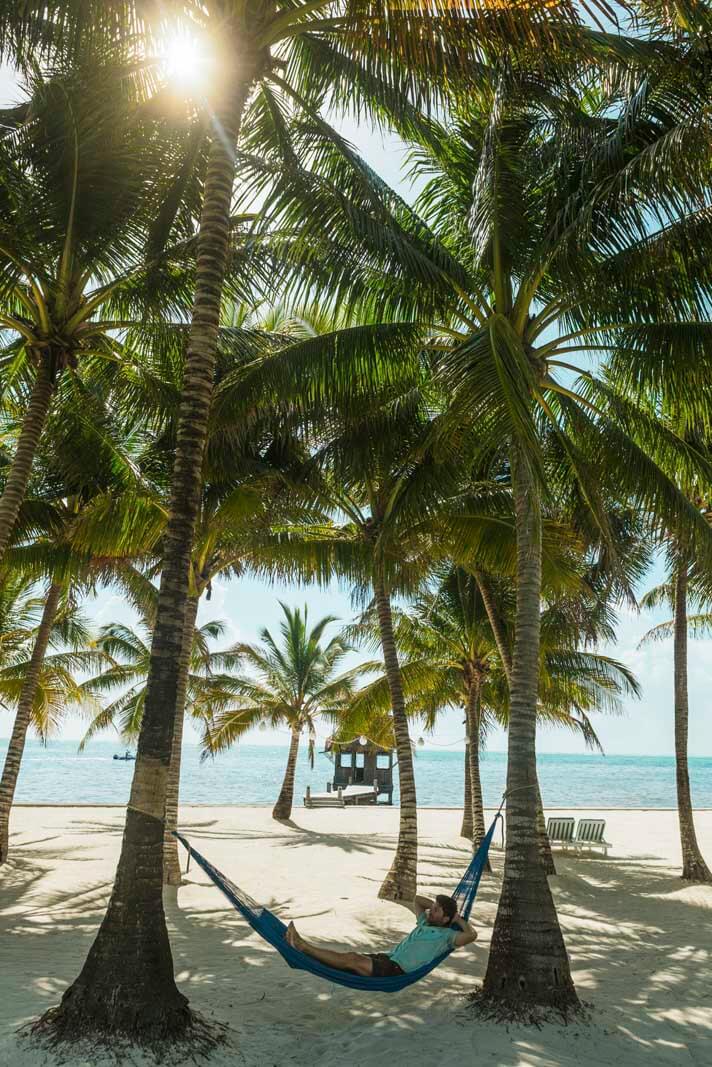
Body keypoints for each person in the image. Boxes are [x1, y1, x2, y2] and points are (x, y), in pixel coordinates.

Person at [284, 892, 477, 978]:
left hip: (396, 970)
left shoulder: (448, 937)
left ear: (445, 919)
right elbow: (417, 900)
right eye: (432, 908)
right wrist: (437, 906)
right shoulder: (424, 922)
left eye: (436, 911)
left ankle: (302, 947)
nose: (430, 911)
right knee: (347, 960)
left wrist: (457, 919)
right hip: (387, 958)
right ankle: (303, 952)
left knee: (351, 960)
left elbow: (472, 935)